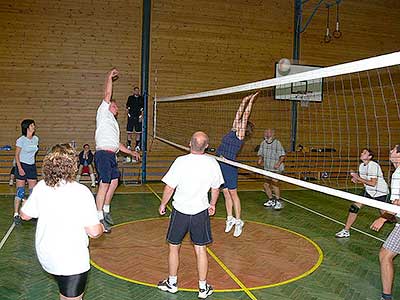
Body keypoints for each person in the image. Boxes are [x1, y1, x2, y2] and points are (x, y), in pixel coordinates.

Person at [20, 144, 103, 300]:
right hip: (71, 261)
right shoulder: (81, 191)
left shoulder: (41, 187)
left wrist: (26, 202)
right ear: (72, 165)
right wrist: (100, 227)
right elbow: (93, 232)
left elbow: (24, 215)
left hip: (47, 257)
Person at [157, 131, 224, 299]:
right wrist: (213, 204)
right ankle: (203, 288)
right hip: (200, 212)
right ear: (207, 146)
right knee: (201, 250)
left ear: (189, 143)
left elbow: (169, 187)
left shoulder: (180, 162)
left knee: (174, 247)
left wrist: (163, 204)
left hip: (180, 211)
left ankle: (172, 283)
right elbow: (216, 189)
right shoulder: (212, 162)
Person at [95, 68, 140, 233]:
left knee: (114, 182)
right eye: (114, 105)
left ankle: (106, 211)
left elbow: (117, 144)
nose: (116, 107)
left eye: (115, 106)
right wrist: (109, 77)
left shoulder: (113, 124)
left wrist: (132, 152)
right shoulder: (103, 113)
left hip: (111, 155)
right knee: (104, 184)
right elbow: (107, 94)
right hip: (102, 155)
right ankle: (98, 217)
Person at [216, 92, 259, 238]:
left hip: (229, 166)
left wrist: (251, 101)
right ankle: (230, 218)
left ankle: (239, 221)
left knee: (233, 194)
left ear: (244, 128)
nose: (239, 121)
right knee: (226, 193)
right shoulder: (233, 130)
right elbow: (239, 114)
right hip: (220, 164)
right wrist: (244, 100)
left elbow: (245, 114)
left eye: (242, 123)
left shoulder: (239, 134)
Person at [335, 148, 389, 238]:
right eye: (362, 152)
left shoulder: (373, 165)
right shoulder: (361, 166)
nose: (361, 153)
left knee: (389, 216)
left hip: (380, 193)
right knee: (354, 207)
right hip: (368, 192)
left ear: (370, 157)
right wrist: (357, 180)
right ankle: (346, 230)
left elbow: (373, 183)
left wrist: (358, 178)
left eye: (364, 153)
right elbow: (366, 181)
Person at [370, 145, 400, 300]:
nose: (390, 152)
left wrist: (383, 218)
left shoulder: (399, 174)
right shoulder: (396, 172)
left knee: (385, 255)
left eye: (394, 150)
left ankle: (386, 297)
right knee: (385, 254)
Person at [13, 119, 39, 225]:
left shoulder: (36, 139)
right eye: (32, 125)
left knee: (33, 192)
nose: (34, 127)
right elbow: (17, 155)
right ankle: (16, 213)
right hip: (22, 165)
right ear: (27, 127)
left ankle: (31, 213)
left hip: (31, 166)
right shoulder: (21, 140)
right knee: (20, 192)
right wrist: (19, 168)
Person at [257, 128, 286, 210]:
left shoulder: (277, 143)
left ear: (273, 134)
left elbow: (282, 156)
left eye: (269, 132)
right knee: (265, 185)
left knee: (274, 184)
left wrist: (278, 163)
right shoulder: (263, 143)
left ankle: (278, 201)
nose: (267, 133)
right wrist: (260, 159)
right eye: (265, 132)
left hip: (276, 168)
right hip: (267, 167)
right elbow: (260, 154)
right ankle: (271, 200)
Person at [126, 86, 144, 151]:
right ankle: (128, 145)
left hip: (138, 117)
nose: (137, 92)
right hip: (131, 117)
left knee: (138, 133)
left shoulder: (141, 98)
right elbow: (127, 107)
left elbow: (142, 109)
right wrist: (128, 115)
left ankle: (137, 146)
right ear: (133, 91)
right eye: (135, 90)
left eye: (138, 91)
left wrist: (141, 116)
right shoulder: (130, 98)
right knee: (129, 132)